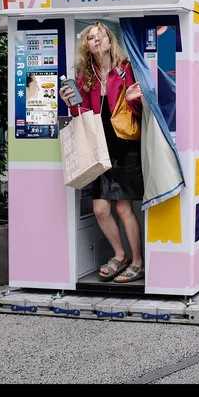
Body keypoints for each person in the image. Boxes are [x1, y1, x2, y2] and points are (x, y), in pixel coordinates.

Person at [60, 21, 146, 283]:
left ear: (110, 40)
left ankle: (138, 262)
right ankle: (120, 256)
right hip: (99, 146)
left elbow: (142, 109)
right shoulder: (85, 75)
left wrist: (133, 100)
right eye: (90, 37)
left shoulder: (126, 68)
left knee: (123, 207)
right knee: (100, 209)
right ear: (86, 45)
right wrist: (71, 104)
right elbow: (84, 114)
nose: (95, 39)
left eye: (100, 35)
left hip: (125, 144)